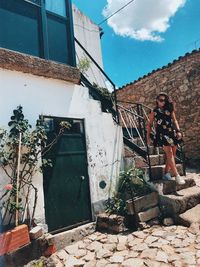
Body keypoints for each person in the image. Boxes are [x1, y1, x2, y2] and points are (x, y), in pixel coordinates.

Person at [146, 92, 185, 185]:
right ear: (157, 100)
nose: (163, 102)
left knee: (173, 154)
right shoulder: (154, 111)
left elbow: (174, 120)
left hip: (171, 133)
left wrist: (178, 131)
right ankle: (176, 176)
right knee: (169, 152)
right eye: (161, 100)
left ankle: (166, 173)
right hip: (162, 134)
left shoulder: (169, 109)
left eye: (164, 100)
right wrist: (148, 137)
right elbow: (150, 124)